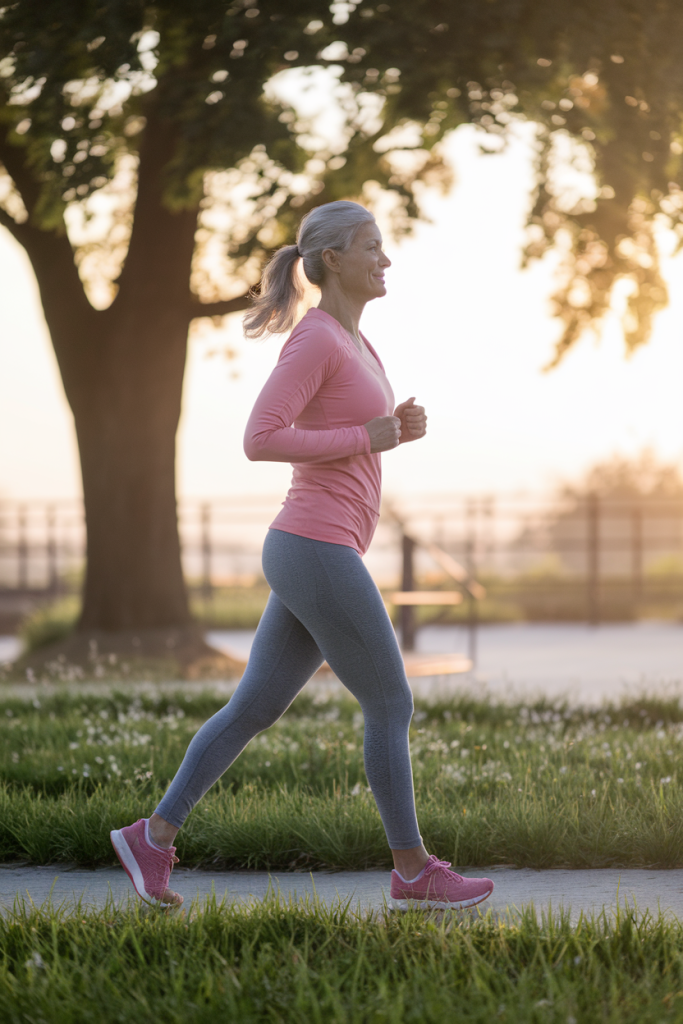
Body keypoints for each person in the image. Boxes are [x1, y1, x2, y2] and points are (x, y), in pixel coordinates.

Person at [110, 200, 494, 911]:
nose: (385, 258)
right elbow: (261, 437)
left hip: (319, 547)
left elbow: (358, 431)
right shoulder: (315, 338)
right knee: (389, 700)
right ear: (332, 260)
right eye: (371, 246)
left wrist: (393, 430)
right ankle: (411, 871)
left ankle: (151, 837)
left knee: (252, 706)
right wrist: (369, 436)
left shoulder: (357, 342)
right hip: (311, 544)